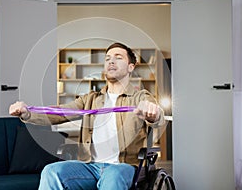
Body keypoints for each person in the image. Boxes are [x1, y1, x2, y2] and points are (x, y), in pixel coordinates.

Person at [9, 42, 166, 190]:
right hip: (90, 166)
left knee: (113, 176)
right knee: (52, 171)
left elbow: (157, 116)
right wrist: (27, 113)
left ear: (131, 67)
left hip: (123, 167)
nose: (111, 61)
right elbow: (59, 112)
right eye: (108, 59)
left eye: (118, 58)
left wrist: (153, 113)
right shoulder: (90, 99)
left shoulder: (140, 97)